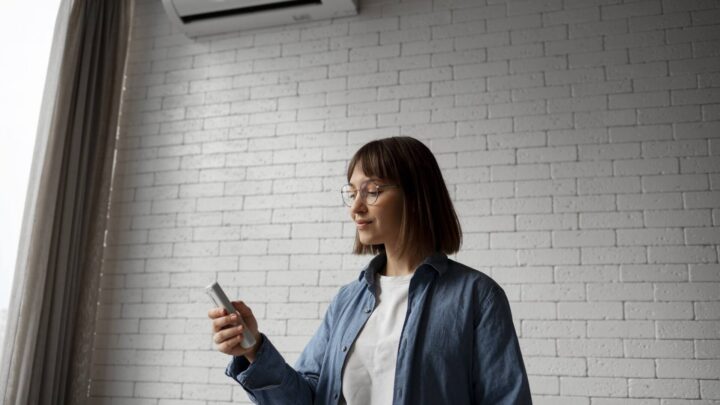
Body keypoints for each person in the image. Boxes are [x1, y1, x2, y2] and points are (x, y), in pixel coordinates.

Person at [208, 136, 532, 404]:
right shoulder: (347, 301)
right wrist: (253, 350)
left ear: (416, 195)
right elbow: (306, 398)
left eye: (372, 190)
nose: (355, 207)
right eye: (352, 192)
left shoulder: (477, 297)